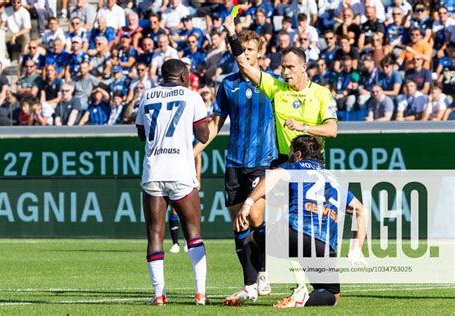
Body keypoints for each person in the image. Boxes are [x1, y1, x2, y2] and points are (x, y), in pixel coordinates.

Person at [234, 135, 366, 308]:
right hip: (323, 245)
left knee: (250, 239)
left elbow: (275, 175)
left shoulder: (295, 167)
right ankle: (303, 300)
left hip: (293, 232)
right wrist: (356, 248)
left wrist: (248, 203)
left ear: (297, 154)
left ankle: (251, 288)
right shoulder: (334, 180)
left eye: (290, 152)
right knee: (331, 294)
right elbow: (361, 210)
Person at [194, 30, 277, 305]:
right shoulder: (227, 84)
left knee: (254, 217)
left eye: (252, 49)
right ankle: (249, 284)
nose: (248, 54)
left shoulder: (270, 83)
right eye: (244, 49)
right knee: (238, 224)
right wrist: (194, 150)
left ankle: (265, 270)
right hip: (234, 163)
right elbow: (216, 124)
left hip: (262, 162)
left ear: (259, 52)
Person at [135, 59, 209, 305]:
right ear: (183, 77)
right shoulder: (192, 96)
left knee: (155, 234)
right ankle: (200, 293)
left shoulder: (147, 96)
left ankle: (158, 294)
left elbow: (141, 134)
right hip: (180, 171)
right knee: (193, 233)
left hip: (154, 171)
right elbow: (203, 134)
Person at [222, 15, 337, 158]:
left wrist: (304, 127)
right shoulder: (276, 87)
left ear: (304, 67)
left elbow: (332, 130)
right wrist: (232, 35)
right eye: (283, 67)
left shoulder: (321, 93)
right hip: (284, 160)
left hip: (313, 162)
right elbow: (245, 67)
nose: (286, 72)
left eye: (291, 67)